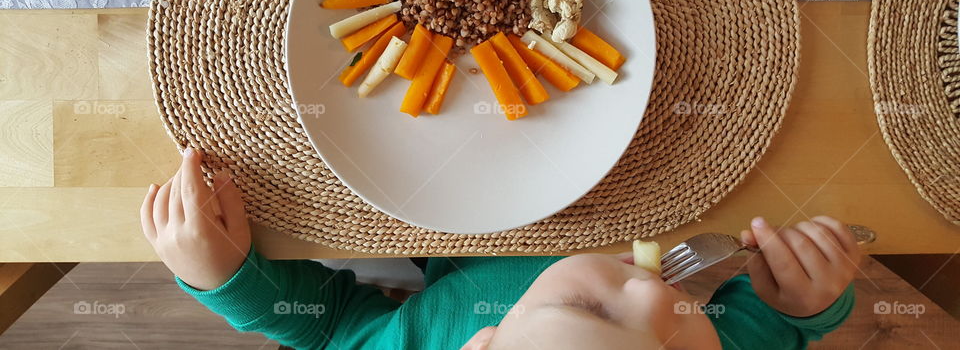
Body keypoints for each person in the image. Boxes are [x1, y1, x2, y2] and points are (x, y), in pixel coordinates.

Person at [142, 149, 860, 350]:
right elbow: (766, 329)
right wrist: (797, 303)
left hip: (458, 211)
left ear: (482, 345)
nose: (657, 296)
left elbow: (327, 325)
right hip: (666, 174)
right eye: (678, 344)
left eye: (589, 307)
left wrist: (226, 277)